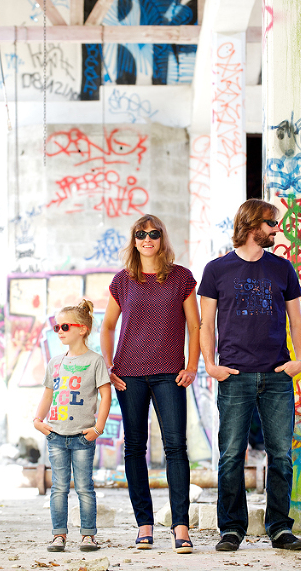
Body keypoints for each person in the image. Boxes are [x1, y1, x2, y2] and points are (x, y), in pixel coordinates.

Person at [199, 198, 301, 551]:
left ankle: (279, 528)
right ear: (251, 225)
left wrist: (300, 359)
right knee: (231, 455)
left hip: (276, 375)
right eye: (271, 223)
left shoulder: (283, 269)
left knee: (280, 456)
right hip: (234, 375)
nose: (277, 229)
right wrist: (210, 366)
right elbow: (206, 324)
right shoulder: (216, 270)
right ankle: (231, 529)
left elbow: (296, 320)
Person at [100, 214, 200, 554]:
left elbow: (195, 326)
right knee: (134, 448)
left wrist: (192, 365)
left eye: (153, 233)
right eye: (140, 234)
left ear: (162, 238)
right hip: (128, 374)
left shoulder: (181, 278)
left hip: (170, 373)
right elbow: (108, 326)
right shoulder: (122, 281)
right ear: (134, 240)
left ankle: (181, 527)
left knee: (175, 448)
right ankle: (144, 524)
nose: (147, 239)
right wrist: (108, 365)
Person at [33, 299, 111, 553]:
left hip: (82, 437)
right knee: (59, 488)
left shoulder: (95, 361)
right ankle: (59, 535)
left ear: (82, 329)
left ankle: (88, 535)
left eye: (64, 327)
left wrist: (98, 428)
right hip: (55, 435)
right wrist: (38, 421)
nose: (59, 332)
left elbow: (105, 395)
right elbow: (48, 394)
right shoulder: (55, 362)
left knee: (85, 488)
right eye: (57, 328)